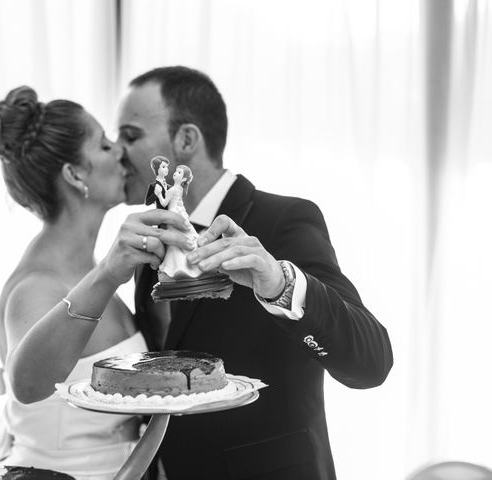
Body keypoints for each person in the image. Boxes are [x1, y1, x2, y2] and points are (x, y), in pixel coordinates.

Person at [117, 66, 394, 480]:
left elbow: (371, 363)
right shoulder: (151, 236)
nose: (117, 150)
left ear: (186, 140)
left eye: (131, 135)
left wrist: (281, 284)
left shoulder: (283, 220)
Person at [0, 86, 190, 480]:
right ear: (75, 174)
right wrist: (109, 271)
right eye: (105, 145)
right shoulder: (36, 287)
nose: (121, 152)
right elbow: (25, 384)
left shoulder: (92, 273)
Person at [153, 164, 201, 280]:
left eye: (179, 173)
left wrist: (158, 194)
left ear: (184, 179)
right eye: (176, 171)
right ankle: (184, 265)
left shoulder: (173, 189)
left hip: (172, 216)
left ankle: (175, 266)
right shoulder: (180, 190)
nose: (175, 173)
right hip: (179, 214)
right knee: (178, 241)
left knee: (174, 242)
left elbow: (164, 203)